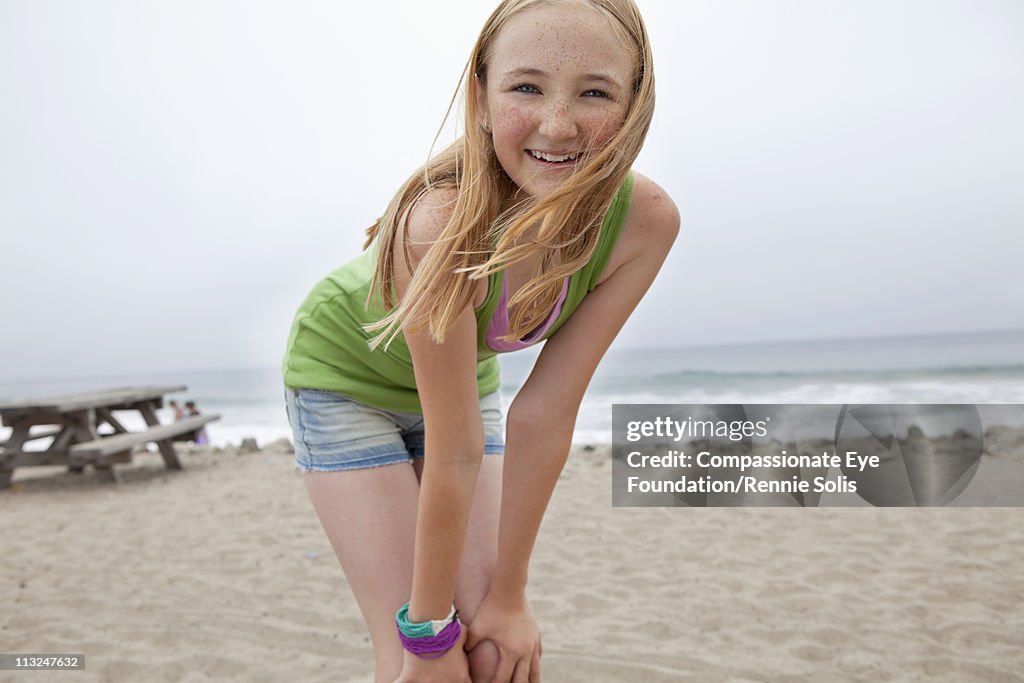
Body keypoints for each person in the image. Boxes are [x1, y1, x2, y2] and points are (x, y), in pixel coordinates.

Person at [282, 1, 678, 681]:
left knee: (496, 652)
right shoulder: (437, 222)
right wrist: (429, 639)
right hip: (344, 379)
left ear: (635, 103)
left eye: (595, 91)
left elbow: (546, 411)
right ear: (482, 98)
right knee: (418, 661)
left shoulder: (645, 223)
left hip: (467, 385)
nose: (559, 125)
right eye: (526, 87)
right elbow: (456, 446)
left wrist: (510, 597)